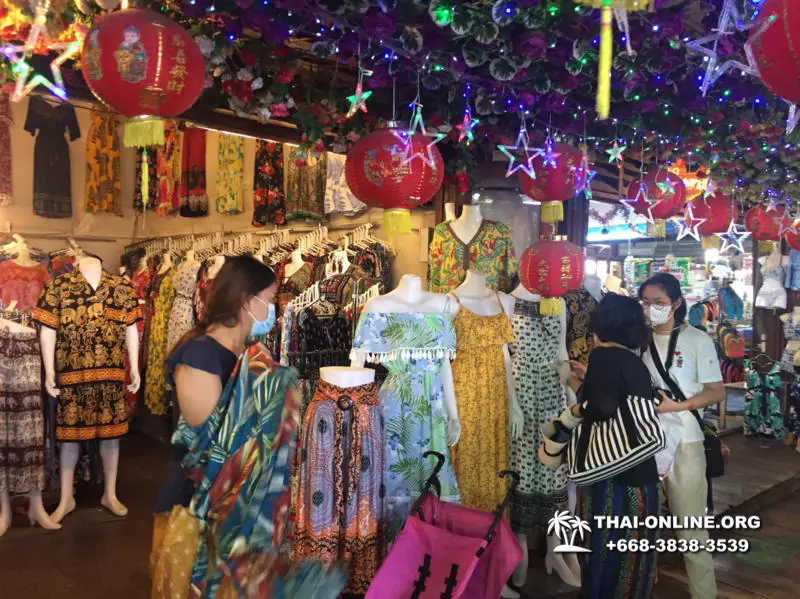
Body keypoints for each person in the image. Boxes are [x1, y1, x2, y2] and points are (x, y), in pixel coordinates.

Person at [150, 256, 347, 597]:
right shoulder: (200, 356)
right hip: (197, 513)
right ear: (246, 301)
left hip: (239, 518)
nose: (273, 310)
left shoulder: (250, 355)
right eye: (269, 301)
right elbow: (209, 447)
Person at [566, 294, 660, 599]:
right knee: (632, 558)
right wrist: (587, 380)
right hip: (640, 476)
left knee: (604, 551)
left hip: (612, 477)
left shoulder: (603, 356)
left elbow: (602, 408)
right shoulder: (634, 359)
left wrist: (575, 391)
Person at [639, 273, 724, 599]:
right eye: (645, 303)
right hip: (646, 443)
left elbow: (716, 391)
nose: (650, 309)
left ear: (676, 303)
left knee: (691, 531)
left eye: (658, 303)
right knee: (644, 528)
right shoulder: (638, 340)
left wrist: (679, 406)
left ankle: (704, 594)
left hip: (686, 443)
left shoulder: (697, 339)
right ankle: (645, 586)